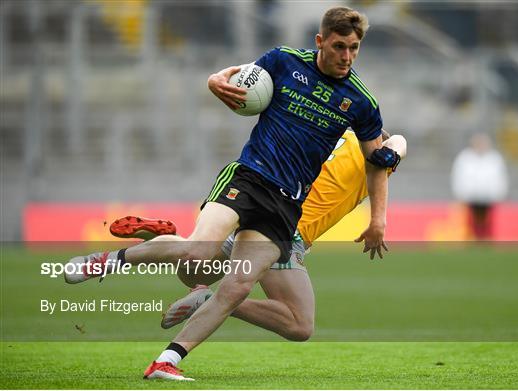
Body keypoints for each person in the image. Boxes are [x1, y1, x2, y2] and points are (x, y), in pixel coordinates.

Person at [64, 7, 396, 381]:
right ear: (320, 42)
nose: (346, 56)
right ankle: (106, 261)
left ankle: (166, 361)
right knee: (198, 252)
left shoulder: (361, 101)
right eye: (339, 47)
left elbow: (377, 160)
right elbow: (245, 75)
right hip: (249, 178)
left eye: (353, 48)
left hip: (285, 207)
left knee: (236, 286)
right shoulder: (285, 61)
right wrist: (215, 78)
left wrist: (378, 220)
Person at [109, 131, 406, 341]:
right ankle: (209, 300)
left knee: (191, 271)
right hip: (284, 231)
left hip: (257, 209)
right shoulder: (376, 157)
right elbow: (399, 142)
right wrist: (390, 155)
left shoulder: (327, 135)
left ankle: (169, 238)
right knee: (299, 324)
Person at [450, 133, 508, 240]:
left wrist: (498, 193)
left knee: (488, 221)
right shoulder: (465, 157)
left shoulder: (494, 158)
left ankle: (487, 238)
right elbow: (459, 176)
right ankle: (472, 238)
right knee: (471, 221)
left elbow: (500, 177)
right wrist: (461, 193)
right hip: (470, 196)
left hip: (489, 196)